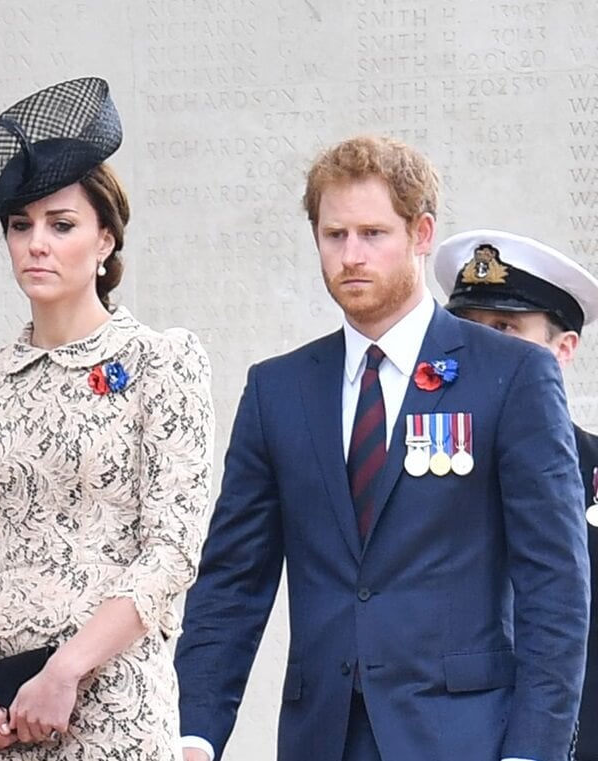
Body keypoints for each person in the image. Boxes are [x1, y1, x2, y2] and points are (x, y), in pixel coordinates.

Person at [173, 135, 589, 761]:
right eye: (334, 235)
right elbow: (232, 583)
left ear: (421, 233)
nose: (351, 256)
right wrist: (193, 732)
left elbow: (554, 584)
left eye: (373, 233)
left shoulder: (511, 376)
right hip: (321, 737)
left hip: (466, 737)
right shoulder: (278, 389)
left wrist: (534, 751)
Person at [0, 77, 214, 760]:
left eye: (61, 224)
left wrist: (66, 669)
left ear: (105, 241)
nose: (37, 243)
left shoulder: (161, 359)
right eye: (20, 225)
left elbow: (172, 549)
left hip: (113, 700)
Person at [434, 228, 598, 760]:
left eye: (505, 328)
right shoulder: (408, 467)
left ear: (563, 349)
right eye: (467, 328)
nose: (482, 347)